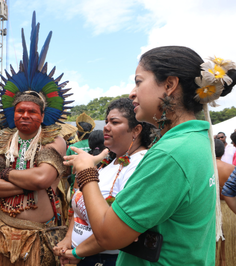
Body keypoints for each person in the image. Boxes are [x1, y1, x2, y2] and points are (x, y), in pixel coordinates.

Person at [61, 47, 236, 265]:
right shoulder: (196, 138)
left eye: (138, 81)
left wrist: (87, 171)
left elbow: (109, 235)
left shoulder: (170, 154)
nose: (132, 93)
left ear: (169, 85)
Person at [0, 12, 72, 266]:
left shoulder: (55, 138)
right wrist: (28, 182)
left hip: (39, 237)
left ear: (43, 115)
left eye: (32, 111)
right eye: (20, 110)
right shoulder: (2, 140)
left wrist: (5, 174)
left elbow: (43, 178)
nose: (25, 115)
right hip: (3, 231)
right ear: (12, 112)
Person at [54, 98, 153, 265]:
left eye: (114, 122)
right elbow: (80, 207)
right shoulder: (110, 163)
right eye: (106, 121)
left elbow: (117, 230)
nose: (106, 126)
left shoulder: (140, 165)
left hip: (106, 259)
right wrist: (67, 240)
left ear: (136, 130)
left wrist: (77, 253)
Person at [214, 139, 236, 266]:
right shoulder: (232, 169)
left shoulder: (206, 169)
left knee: (217, 249)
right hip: (231, 211)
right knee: (231, 248)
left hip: (213, 212)